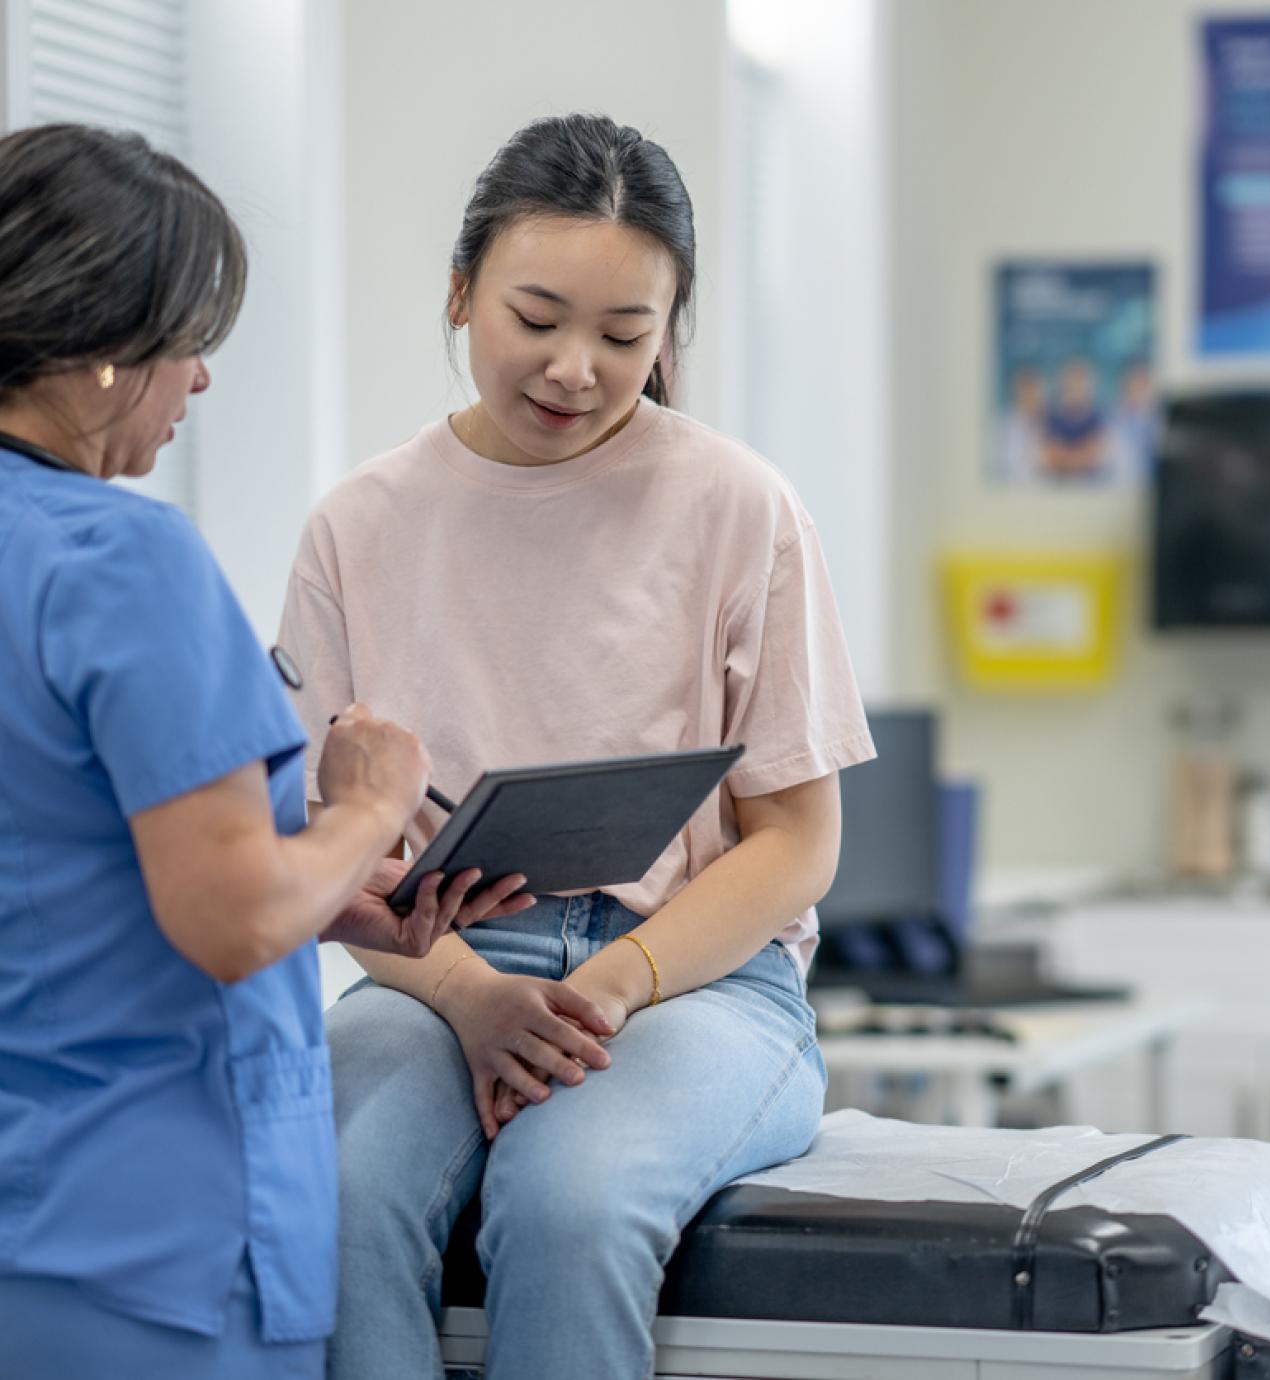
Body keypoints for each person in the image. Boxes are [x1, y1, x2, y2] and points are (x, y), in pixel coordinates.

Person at [0, 124, 528, 1380]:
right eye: (187, 343)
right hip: (149, 1252)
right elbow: (228, 920)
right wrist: (366, 809)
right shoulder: (124, 559)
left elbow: (47, 883)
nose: (197, 382)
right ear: (101, 354)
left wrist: (341, 911)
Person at [276, 112, 875, 1380]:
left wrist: (605, 988)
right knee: (322, 1194)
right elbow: (318, 858)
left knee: (567, 1203)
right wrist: (473, 997)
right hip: (430, 974)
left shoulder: (739, 507)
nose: (573, 369)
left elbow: (797, 847)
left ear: (668, 334)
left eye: (622, 336)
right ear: (459, 292)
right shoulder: (358, 526)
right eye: (534, 318)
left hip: (696, 982)